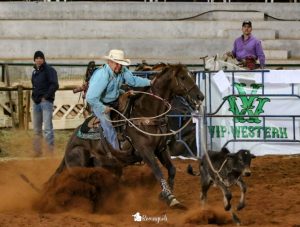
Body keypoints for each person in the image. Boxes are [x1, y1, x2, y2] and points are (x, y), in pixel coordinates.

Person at [86, 49, 152, 152]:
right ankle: (116, 154)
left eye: (120, 64)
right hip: (100, 103)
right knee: (108, 128)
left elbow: (133, 81)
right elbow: (91, 97)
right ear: (109, 62)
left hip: (114, 98)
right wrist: (103, 107)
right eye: (116, 63)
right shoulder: (103, 75)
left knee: (132, 112)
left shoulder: (122, 70)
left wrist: (150, 82)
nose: (119, 66)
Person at [31, 50, 59, 156]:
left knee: (47, 128)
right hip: (36, 103)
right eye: (36, 58)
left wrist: (46, 97)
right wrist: (34, 97)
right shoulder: (35, 72)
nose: (38, 60)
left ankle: (49, 152)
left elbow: (55, 85)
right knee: (36, 130)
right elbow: (34, 86)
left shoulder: (49, 70)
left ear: (43, 59)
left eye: (40, 58)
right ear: (34, 60)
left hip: (46, 102)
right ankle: (37, 152)